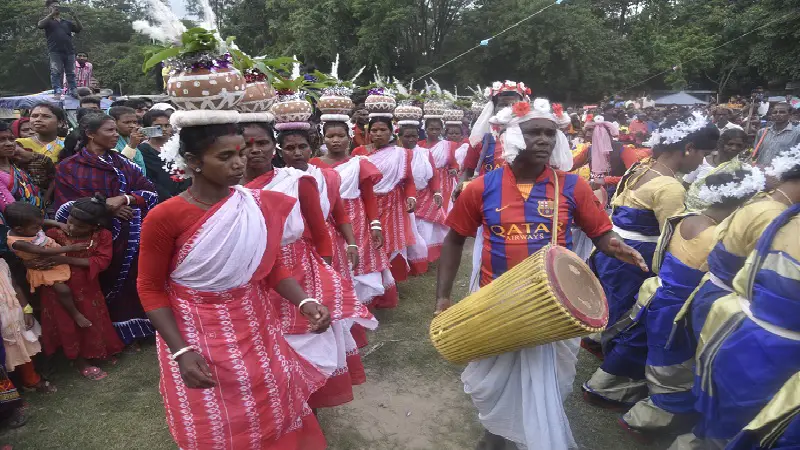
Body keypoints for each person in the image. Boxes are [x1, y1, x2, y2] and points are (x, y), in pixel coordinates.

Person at [435, 100, 647, 450]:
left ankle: (522, 431)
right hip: (495, 301)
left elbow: (600, 233)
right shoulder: (480, 188)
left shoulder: (572, 187)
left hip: (551, 311)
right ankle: (497, 430)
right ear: (513, 136)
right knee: (495, 380)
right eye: (535, 132)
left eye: (551, 133)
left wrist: (615, 245)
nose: (545, 139)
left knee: (547, 381)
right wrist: (443, 297)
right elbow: (455, 239)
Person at [138, 119, 330, 450]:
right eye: (225, 156)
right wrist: (181, 351)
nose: (239, 163)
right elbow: (150, 287)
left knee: (269, 397)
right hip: (196, 331)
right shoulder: (166, 216)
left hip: (256, 323)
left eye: (239, 153)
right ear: (193, 161)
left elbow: (269, 269)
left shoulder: (255, 204)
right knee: (216, 413)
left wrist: (304, 302)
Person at [615, 168, 763, 439]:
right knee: (675, 369)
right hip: (681, 308)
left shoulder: (688, 218)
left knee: (659, 357)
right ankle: (647, 419)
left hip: (661, 297)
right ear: (742, 205)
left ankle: (627, 396)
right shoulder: (719, 236)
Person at [583, 116, 719, 407]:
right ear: (689, 148)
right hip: (636, 258)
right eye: (703, 154)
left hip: (616, 249)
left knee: (612, 303)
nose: (703, 161)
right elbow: (672, 236)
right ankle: (612, 382)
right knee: (634, 314)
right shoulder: (670, 187)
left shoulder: (641, 167)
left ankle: (600, 343)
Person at [246, 118, 377, 410]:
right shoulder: (227, 190)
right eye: (247, 145)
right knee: (263, 339)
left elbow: (321, 230)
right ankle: (275, 401)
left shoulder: (298, 181)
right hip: (250, 274)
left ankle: (308, 400)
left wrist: (323, 273)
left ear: (272, 148)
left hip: (299, 267)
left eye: (262, 143)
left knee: (304, 336)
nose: (254, 151)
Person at [674, 200, 800, 450]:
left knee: (721, 407)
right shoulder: (773, 212)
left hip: (737, 318)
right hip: (770, 343)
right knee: (738, 419)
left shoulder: (773, 210)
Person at [55, 113, 158, 345]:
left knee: (134, 280)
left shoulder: (124, 163)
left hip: (130, 234)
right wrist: (105, 207)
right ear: (91, 134)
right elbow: (66, 205)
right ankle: (111, 336)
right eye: (109, 131)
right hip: (95, 236)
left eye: (114, 130)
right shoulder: (69, 167)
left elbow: (149, 192)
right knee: (102, 284)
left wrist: (124, 199)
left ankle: (142, 329)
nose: (116, 135)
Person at [312, 119, 395, 331]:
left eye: (340, 135)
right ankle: (337, 307)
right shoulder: (314, 165)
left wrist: (375, 225)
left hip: (356, 220)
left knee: (358, 264)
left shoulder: (359, 163)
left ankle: (359, 309)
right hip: (325, 220)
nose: (336, 140)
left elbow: (369, 197)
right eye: (331, 136)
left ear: (349, 137)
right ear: (323, 139)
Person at [39, 194, 123, 380]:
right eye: (70, 221)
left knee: (91, 317)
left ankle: (97, 351)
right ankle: (79, 361)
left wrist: (64, 258)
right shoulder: (54, 234)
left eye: (80, 226)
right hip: (59, 289)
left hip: (86, 287)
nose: (72, 227)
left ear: (95, 226)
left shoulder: (102, 236)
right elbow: (37, 237)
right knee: (67, 322)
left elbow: (102, 261)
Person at [3, 203, 71, 394]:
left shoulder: (2, 263)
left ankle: (31, 380)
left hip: (15, 316)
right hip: (7, 321)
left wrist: (26, 309)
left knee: (25, 345)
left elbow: (15, 286)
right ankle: (10, 398)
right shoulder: (17, 240)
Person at [351, 113, 417, 285]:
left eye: (383, 130)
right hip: (366, 203)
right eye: (374, 130)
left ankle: (389, 282)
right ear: (369, 133)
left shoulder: (402, 154)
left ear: (391, 132)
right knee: (368, 241)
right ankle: (372, 279)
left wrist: (411, 196)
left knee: (389, 240)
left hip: (392, 203)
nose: (378, 134)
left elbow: (409, 180)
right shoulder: (359, 153)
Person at [461, 81, 529, 181]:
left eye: (514, 105)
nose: (508, 109)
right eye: (503, 105)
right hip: (489, 193)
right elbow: (468, 171)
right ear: (493, 108)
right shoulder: (480, 141)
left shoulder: (531, 139)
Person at [685, 127, 748, 211]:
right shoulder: (701, 161)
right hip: (689, 210)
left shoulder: (740, 169)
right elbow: (685, 185)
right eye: (730, 144)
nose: (734, 148)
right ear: (721, 144)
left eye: (739, 145)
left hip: (716, 215)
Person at [138, 110, 189, 201]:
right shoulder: (143, 150)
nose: (164, 129)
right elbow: (149, 178)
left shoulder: (180, 145)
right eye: (158, 126)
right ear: (148, 128)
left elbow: (188, 171)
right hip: (160, 198)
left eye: (167, 125)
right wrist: (167, 197)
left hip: (186, 195)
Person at [38, 0, 83, 97]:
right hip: (55, 51)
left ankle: (73, 91)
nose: (56, 8)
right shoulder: (48, 21)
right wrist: (51, 14)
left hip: (69, 51)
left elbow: (79, 29)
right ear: (49, 8)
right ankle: (57, 91)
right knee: (55, 71)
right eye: (54, 6)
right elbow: (40, 25)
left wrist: (75, 16)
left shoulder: (67, 22)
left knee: (71, 72)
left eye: (58, 6)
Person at [0, 123, 45, 213]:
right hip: (19, 224)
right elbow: (13, 211)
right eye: (1, 140)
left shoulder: (18, 165)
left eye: (12, 139)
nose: (9, 144)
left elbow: (49, 170)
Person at [108, 106, 147, 175]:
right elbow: (119, 165)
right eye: (127, 122)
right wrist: (132, 146)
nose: (132, 126)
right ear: (114, 123)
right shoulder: (109, 141)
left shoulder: (129, 137)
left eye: (135, 122)